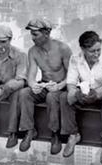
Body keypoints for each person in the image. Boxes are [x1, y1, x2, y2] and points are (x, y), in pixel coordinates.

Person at [17, 17, 73, 154]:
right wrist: (33, 85)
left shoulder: (63, 49)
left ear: (46, 34)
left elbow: (72, 75)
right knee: (24, 93)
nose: (32, 37)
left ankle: (55, 134)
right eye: (31, 34)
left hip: (61, 87)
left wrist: (59, 86)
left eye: (35, 34)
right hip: (44, 85)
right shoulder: (33, 51)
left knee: (52, 97)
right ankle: (29, 130)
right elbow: (31, 75)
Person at [63, 31, 102, 161]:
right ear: (83, 49)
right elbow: (70, 82)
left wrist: (97, 94)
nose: (96, 54)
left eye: (98, 50)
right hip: (83, 93)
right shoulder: (75, 58)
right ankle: (73, 134)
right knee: (64, 98)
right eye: (92, 51)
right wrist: (76, 93)